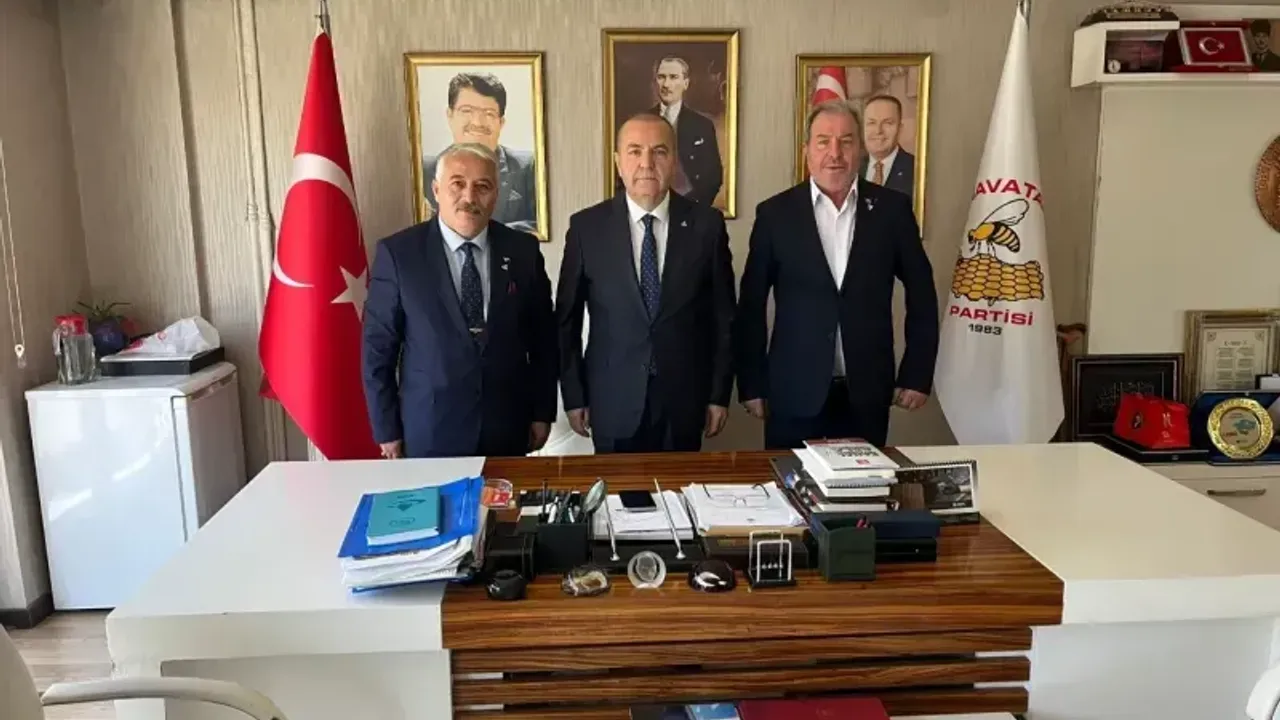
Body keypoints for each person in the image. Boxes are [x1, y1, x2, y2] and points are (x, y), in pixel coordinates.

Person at [734, 100, 938, 449]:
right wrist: (752, 384)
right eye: (823, 141)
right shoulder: (775, 214)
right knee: (790, 482)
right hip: (793, 391)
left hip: (867, 391)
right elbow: (750, 306)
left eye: (846, 141)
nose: (835, 153)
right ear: (807, 151)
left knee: (864, 483)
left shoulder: (892, 210)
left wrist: (917, 373)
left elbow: (922, 293)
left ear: (860, 149)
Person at [364, 143, 557, 458]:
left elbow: (543, 342)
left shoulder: (523, 251)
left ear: (496, 196)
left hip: (507, 427)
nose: (469, 197)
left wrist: (542, 411)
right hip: (428, 430)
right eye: (458, 184)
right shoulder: (399, 255)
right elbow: (377, 351)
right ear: (436, 190)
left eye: (483, 187)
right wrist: (387, 429)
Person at [558, 112, 735, 453]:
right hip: (611, 399)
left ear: (675, 160)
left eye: (659, 151)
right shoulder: (586, 228)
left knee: (681, 487)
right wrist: (574, 395)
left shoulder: (707, 225)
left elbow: (724, 318)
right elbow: (566, 321)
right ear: (618, 162)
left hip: (685, 400)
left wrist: (718, 394)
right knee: (616, 488)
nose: (646, 163)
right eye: (635, 151)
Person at [423, 72, 537, 232]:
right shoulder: (424, 170)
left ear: (501, 122)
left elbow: (542, 224)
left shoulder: (529, 167)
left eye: (488, 114)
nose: (477, 122)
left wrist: (486, 236)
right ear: (450, 116)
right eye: (467, 111)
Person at [614, 57, 723, 206]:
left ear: (686, 83)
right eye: (661, 77)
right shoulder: (636, 124)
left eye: (673, 77)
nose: (666, 84)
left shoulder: (702, 125)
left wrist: (691, 210)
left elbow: (713, 177)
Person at [858, 95, 915, 199]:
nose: (878, 131)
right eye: (871, 123)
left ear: (900, 128)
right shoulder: (852, 169)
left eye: (887, 123)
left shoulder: (916, 170)